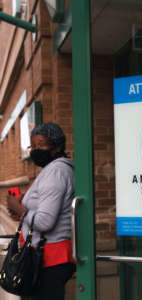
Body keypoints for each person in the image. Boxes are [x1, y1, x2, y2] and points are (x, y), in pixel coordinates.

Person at [6, 122, 75, 300]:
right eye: (33, 145)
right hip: (47, 257)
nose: (36, 150)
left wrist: (21, 210)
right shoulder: (56, 170)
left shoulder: (55, 172)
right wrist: (24, 206)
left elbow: (45, 222)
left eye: (42, 144)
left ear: (57, 146)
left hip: (49, 259)